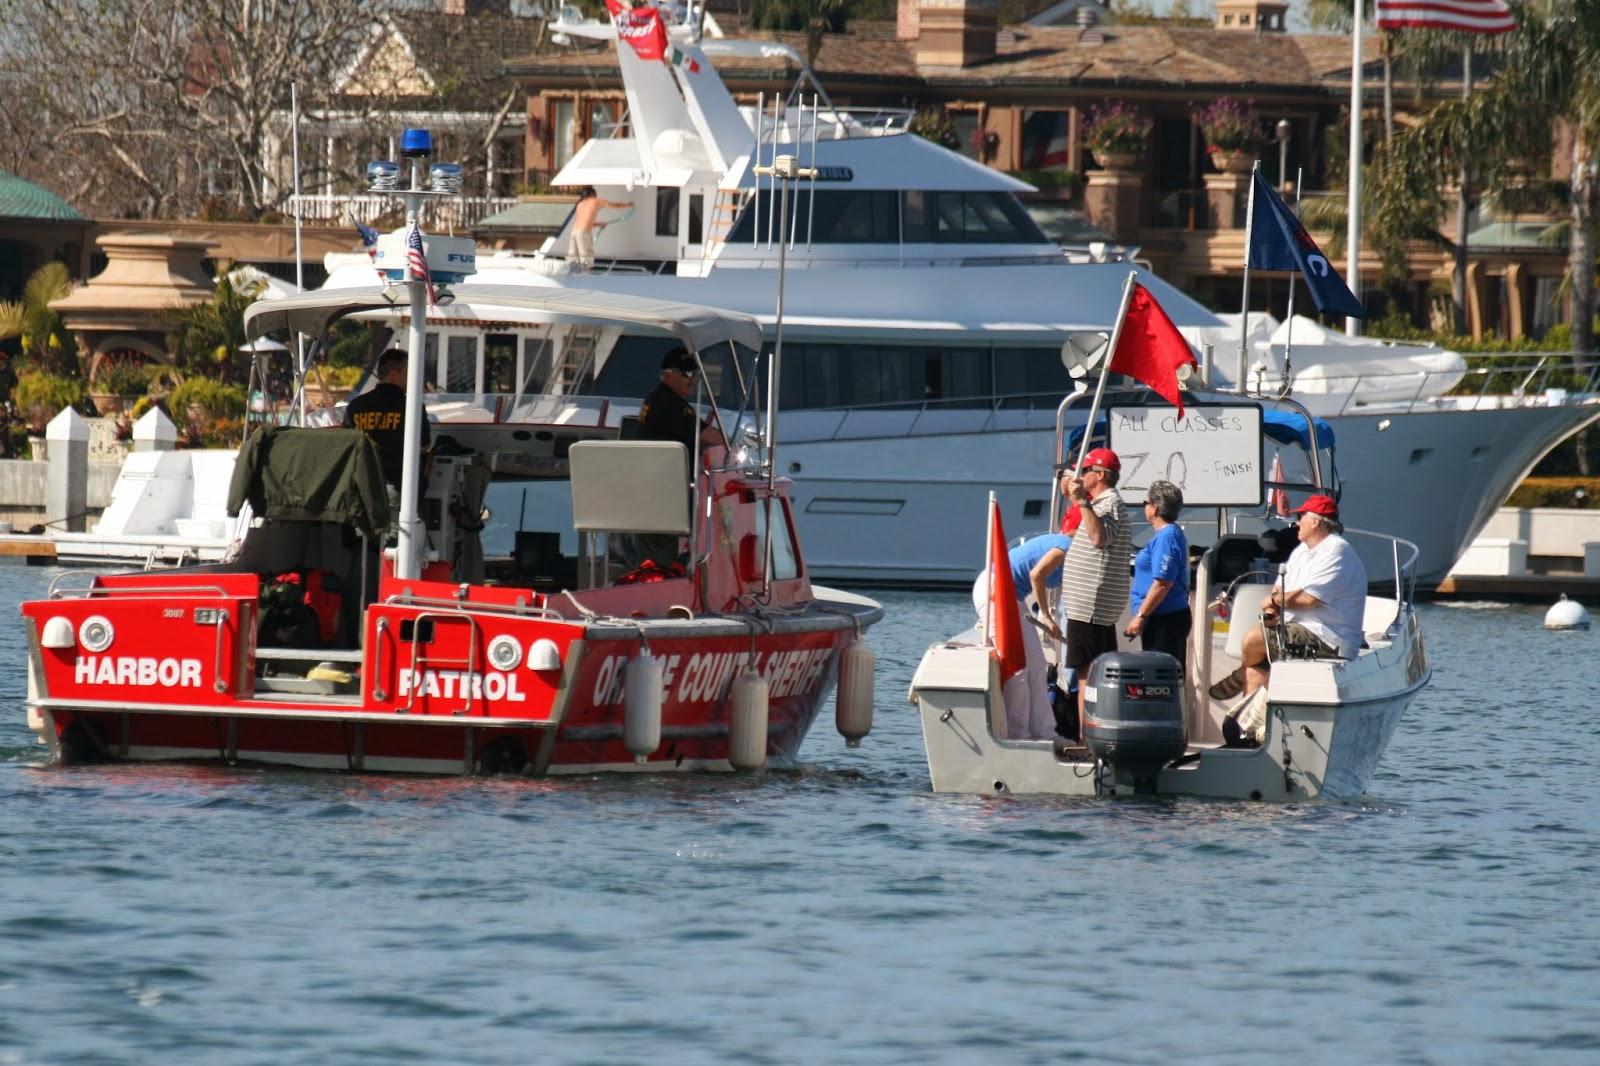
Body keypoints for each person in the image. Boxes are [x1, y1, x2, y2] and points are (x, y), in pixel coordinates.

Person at [1209, 494, 1368, 702]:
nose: (1297, 523)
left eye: (1301, 516)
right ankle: (1249, 724)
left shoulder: (1337, 551)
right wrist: (1271, 610)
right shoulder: (1301, 551)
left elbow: (1309, 599)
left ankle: (1244, 681)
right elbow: (1279, 590)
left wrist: (1274, 601)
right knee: (1255, 662)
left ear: (1316, 521)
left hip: (1328, 637)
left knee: (1253, 640)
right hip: (1299, 628)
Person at [1054, 447, 1132, 742]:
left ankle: (1086, 739)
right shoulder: (1100, 502)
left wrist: (1082, 501)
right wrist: (1077, 497)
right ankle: (1089, 735)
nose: (1081, 475)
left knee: (1088, 673)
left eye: (1085, 470)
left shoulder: (1107, 503)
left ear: (1099, 475)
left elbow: (1099, 538)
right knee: (1091, 670)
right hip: (1090, 605)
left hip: (1090, 606)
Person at [971, 532, 1073, 741]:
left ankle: (1045, 733)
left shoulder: (1068, 549)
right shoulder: (1065, 547)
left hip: (1011, 596)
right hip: (995, 591)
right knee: (1018, 668)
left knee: (1037, 666)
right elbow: (1036, 575)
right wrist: (1046, 615)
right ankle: (1019, 736)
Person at [633, 348, 725, 565]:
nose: (692, 381)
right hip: (661, 496)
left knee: (653, 557)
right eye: (686, 375)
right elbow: (710, 436)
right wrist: (734, 442)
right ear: (667, 375)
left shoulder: (658, 398)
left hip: (651, 490)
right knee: (658, 563)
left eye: (695, 375)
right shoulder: (672, 405)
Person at [343, 347, 431, 497]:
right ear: (394, 375)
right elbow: (424, 445)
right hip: (398, 488)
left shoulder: (355, 406)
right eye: (408, 374)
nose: (413, 379)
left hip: (362, 489)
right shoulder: (411, 407)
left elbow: (345, 444)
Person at [1124, 479, 1191, 671]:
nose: (1144, 507)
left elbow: (1163, 583)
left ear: (1154, 508)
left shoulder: (1167, 537)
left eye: (1145, 503)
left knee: (1160, 676)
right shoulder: (1166, 535)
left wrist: (1141, 616)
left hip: (1166, 620)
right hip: (1162, 618)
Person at [570, 186, 630, 272]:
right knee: (586, 258)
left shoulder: (580, 204)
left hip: (574, 232)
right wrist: (628, 205)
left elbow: (582, 222)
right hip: (583, 233)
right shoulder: (596, 201)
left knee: (573, 257)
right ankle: (586, 279)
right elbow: (614, 206)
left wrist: (599, 224)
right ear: (592, 194)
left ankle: (570, 276)